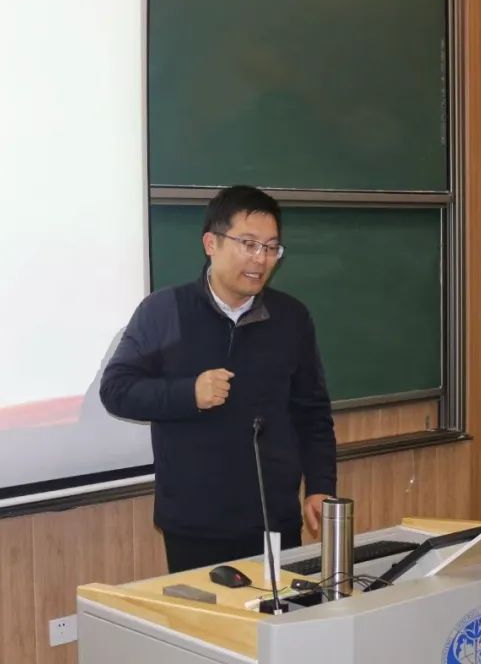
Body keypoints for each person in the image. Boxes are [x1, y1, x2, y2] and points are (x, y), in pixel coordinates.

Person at [100, 185, 337, 573]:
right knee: (201, 614)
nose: (260, 259)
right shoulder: (163, 311)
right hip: (194, 523)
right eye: (248, 244)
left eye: (271, 248)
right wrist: (188, 393)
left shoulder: (291, 318)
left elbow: (312, 411)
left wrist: (320, 485)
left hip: (272, 518)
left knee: (276, 612)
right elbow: (116, 390)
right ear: (211, 243)